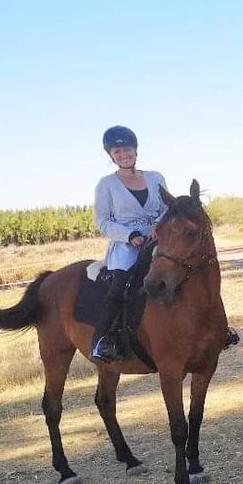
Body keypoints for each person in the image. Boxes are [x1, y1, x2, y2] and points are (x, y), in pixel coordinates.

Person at [90, 126, 168, 362]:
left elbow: (167, 207)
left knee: (189, 270)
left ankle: (215, 327)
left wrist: (159, 224)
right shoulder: (106, 184)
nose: (124, 154)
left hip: (158, 239)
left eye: (127, 149)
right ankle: (105, 339)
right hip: (126, 246)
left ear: (135, 150)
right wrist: (129, 234)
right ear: (111, 156)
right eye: (117, 151)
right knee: (120, 287)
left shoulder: (156, 177)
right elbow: (102, 221)